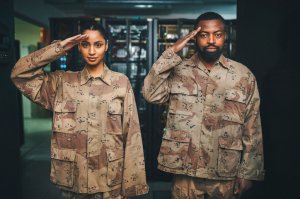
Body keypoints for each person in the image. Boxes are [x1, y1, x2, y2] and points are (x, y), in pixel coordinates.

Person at [11, 22, 148, 199]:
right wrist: (59, 48)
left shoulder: (121, 83)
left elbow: (132, 135)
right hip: (74, 183)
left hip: (109, 184)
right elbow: (19, 74)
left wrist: (129, 187)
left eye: (97, 45)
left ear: (106, 46)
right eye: (85, 44)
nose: (91, 51)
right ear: (78, 47)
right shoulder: (61, 82)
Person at [143, 12, 264, 199]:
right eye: (204, 34)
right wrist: (171, 52)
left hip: (225, 171)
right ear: (195, 37)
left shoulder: (243, 75)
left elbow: (252, 126)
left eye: (218, 34)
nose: (211, 40)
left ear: (225, 36)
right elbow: (150, 94)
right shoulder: (179, 70)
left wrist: (248, 172)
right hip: (185, 169)